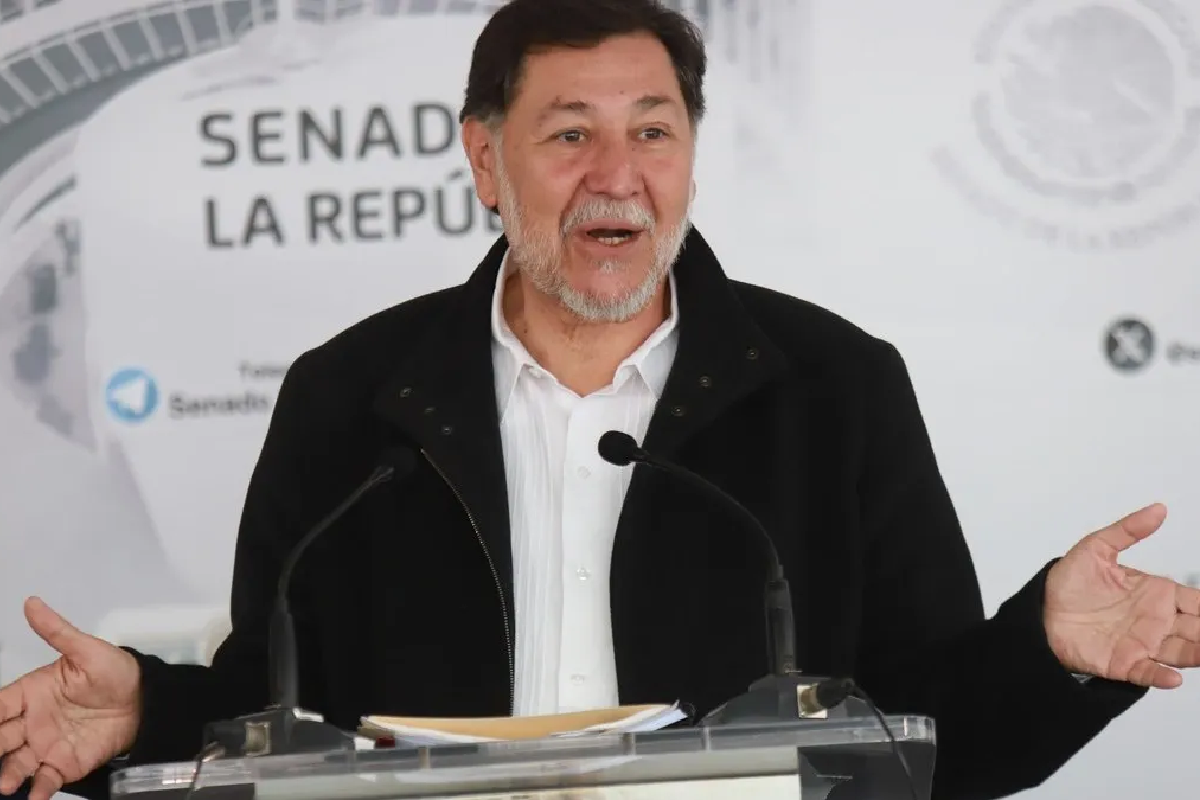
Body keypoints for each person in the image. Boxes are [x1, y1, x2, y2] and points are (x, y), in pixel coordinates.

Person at [2, 1, 1198, 799]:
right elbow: (272, 714)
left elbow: (934, 736)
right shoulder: (349, 399)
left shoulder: (835, 384)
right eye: (569, 134)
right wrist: (142, 714)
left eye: (653, 131)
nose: (617, 176)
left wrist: (1051, 654)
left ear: (692, 154)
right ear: (486, 161)